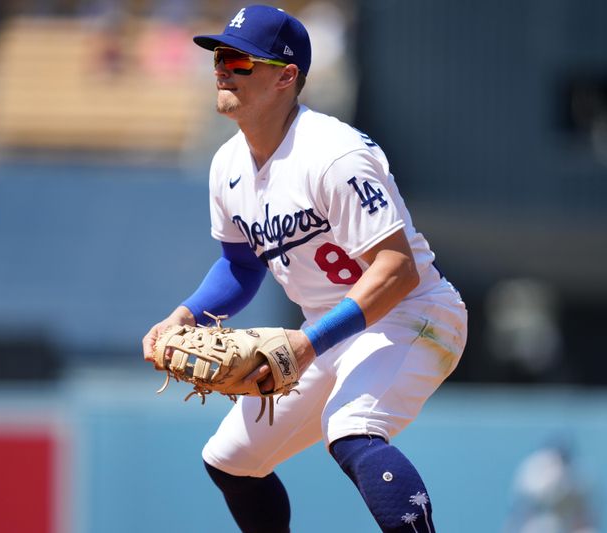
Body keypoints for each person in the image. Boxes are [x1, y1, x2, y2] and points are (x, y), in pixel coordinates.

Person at [141, 5, 468, 532]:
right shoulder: (227, 165)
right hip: (329, 329)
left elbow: (397, 270)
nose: (222, 67)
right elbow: (240, 266)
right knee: (232, 460)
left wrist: (308, 343)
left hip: (413, 314)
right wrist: (186, 314)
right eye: (219, 56)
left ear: (285, 76)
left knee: (352, 428)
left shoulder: (333, 154)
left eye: (240, 60)